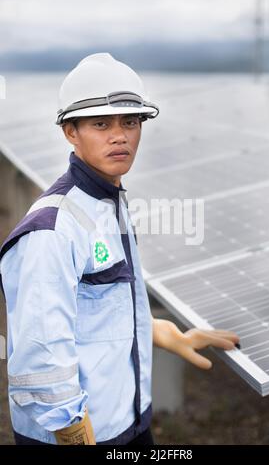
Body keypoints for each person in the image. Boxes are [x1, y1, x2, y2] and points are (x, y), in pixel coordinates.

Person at [0, 53, 239, 445]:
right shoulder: (52, 231)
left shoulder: (111, 203)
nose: (120, 135)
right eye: (100, 124)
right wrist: (75, 435)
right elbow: (40, 359)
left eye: (130, 121)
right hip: (79, 434)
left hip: (128, 422)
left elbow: (98, 309)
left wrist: (161, 332)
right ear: (70, 132)